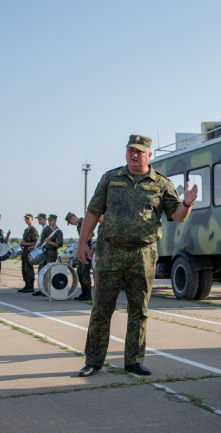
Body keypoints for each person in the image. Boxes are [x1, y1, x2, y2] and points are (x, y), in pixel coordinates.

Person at [76, 134, 197, 377]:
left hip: (143, 255)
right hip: (110, 252)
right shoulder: (111, 178)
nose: (134, 154)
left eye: (139, 151)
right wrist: (82, 242)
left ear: (149, 155)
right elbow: (93, 212)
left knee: (138, 311)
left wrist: (187, 203)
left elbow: (177, 216)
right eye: (131, 150)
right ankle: (93, 361)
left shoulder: (161, 183)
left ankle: (134, 360)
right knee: (101, 309)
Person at [66, 212, 94, 301]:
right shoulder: (79, 225)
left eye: (71, 222)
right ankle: (83, 292)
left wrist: (82, 242)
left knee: (85, 273)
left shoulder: (85, 222)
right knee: (79, 272)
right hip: (81, 251)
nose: (72, 224)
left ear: (73, 218)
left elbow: (91, 235)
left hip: (86, 250)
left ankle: (88, 294)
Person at [33, 214, 63, 296]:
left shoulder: (58, 231)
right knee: (41, 271)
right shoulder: (47, 229)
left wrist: (49, 242)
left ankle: (49, 289)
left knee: (50, 272)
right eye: (49, 220)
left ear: (55, 221)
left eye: (51, 220)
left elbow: (59, 244)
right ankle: (42, 288)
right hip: (44, 252)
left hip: (51, 253)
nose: (49, 222)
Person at [32, 213, 52, 296]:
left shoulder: (47, 228)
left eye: (40, 219)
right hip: (42, 251)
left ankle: (45, 289)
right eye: (38, 219)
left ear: (44, 219)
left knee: (44, 271)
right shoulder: (43, 228)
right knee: (41, 271)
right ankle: (42, 288)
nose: (39, 221)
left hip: (46, 253)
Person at [18, 214, 39, 293]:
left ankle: (30, 286)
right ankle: (26, 284)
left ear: (32, 219)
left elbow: (35, 242)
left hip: (30, 252)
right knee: (24, 269)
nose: (26, 220)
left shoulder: (33, 230)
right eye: (26, 219)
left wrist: (25, 243)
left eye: (28, 219)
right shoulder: (26, 230)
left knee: (29, 268)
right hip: (25, 252)